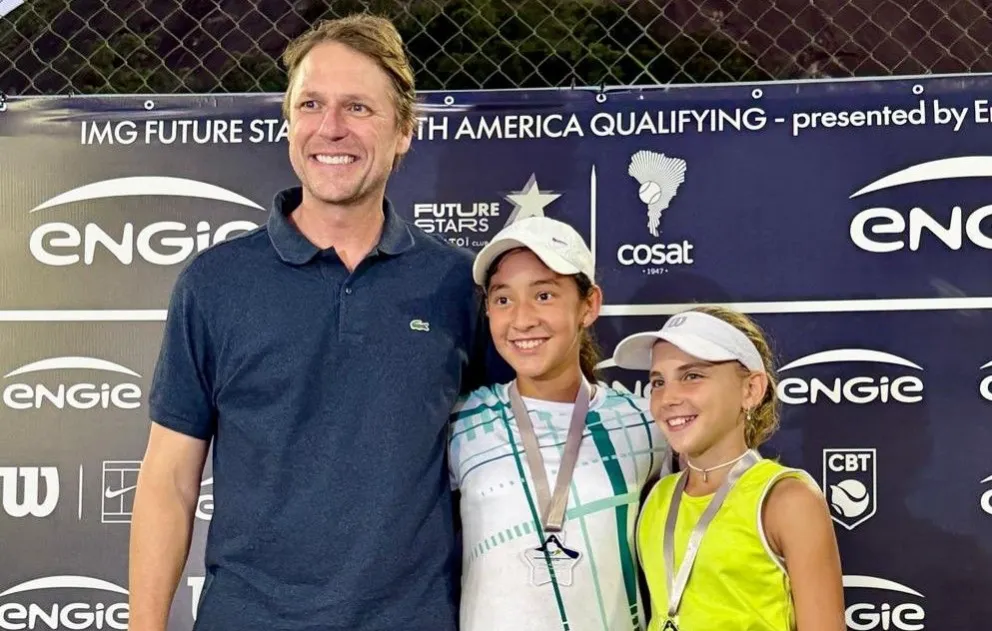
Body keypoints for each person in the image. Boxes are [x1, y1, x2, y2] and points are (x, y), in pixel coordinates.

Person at [128, 14, 506, 631]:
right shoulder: (216, 283)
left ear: (404, 130)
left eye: (358, 107)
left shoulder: (457, 286)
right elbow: (170, 479)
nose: (331, 128)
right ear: (288, 124)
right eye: (311, 104)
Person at [448, 215, 671, 631]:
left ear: (590, 306)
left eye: (544, 295)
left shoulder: (645, 422)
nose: (522, 319)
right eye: (502, 300)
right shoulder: (462, 422)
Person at [612, 307, 846, 631]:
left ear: (750, 389)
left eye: (691, 376)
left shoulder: (787, 499)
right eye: (658, 382)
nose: (668, 397)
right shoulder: (658, 496)